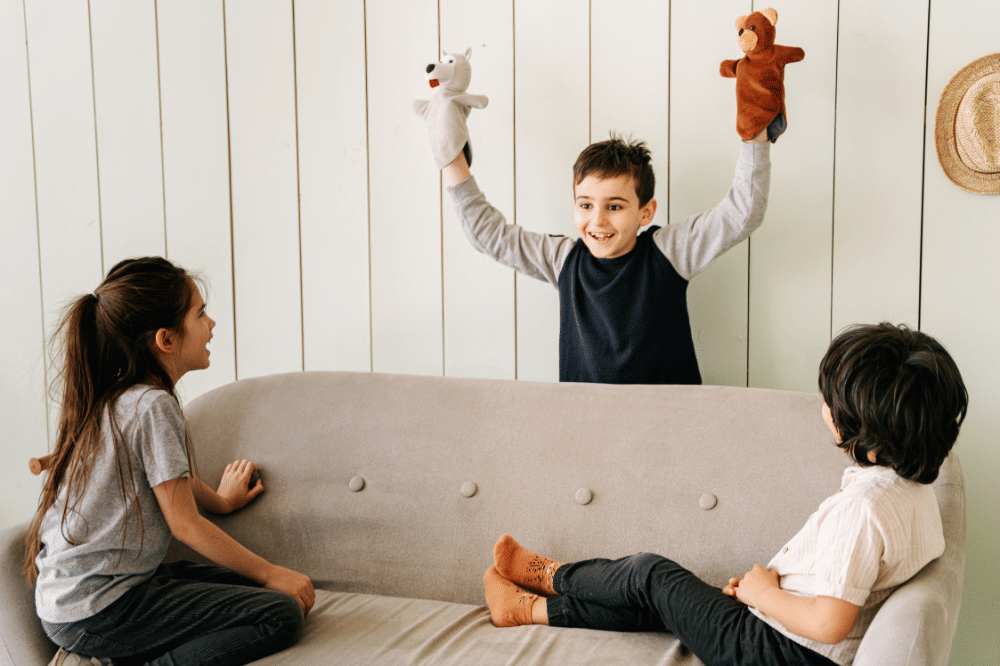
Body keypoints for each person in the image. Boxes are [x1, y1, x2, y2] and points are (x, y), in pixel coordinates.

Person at [483, 322, 968, 666]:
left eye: (833, 401)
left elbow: (829, 624)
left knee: (652, 574)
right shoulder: (916, 490)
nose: (824, 404)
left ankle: (553, 575)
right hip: (779, 632)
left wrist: (764, 593)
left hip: (777, 650)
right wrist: (768, 591)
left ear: (873, 439)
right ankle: (528, 611)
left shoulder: (865, 509)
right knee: (662, 604)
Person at [23, 257, 314, 666]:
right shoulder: (151, 405)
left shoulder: (118, 398)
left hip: (85, 600)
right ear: (166, 339)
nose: (211, 325)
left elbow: (169, 478)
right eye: (201, 314)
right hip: (97, 611)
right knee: (279, 614)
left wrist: (222, 502)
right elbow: (184, 524)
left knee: (261, 591)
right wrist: (271, 572)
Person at [430, 127, 770, 384]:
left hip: (670, 425)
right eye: (586, 205)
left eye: (615, 206)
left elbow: (743, 211)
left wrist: (755, 131)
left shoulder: (670, 251)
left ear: (645, 212)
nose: (598, 221)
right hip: (586, 424)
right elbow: (491, 236)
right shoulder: (563, 259)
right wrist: (451, 158)